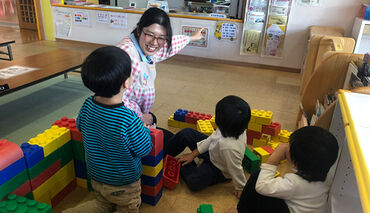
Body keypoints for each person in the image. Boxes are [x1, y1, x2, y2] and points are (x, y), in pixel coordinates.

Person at [64, 46, 152, 213]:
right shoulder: (129, 119)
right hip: (124, 183)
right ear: (127, 82)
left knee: (102, 204)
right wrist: (145, 130)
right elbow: (144, 149)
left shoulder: (88, 104)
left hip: (97, 176)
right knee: (128, 208)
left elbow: (80, 126)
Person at [117, 7, 204, 127]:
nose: (154, 42)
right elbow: (114, 98)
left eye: (161, 38)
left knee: (154, 120)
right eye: (150, 34)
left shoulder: (146, 46)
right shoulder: (128, 54)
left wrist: (191, 38)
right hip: (125, 120)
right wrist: (139, 116)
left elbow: (171, 44)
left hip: (138, 113)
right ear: (139, 29)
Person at [232, 126, 339, 213]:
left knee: (257, 177)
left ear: (296, 162)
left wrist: (274, 159)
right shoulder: (327, 174)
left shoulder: (295, 183)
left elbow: (261, 186)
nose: (286, 146)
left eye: (289, 146)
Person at [165, 95, 251, 198]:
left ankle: (184, 164)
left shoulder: (230, 148)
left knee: (195, 181)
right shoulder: (233, 127)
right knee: (186, 133)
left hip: (219, 168)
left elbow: (235, 169)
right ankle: (163, 151)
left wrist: (241, 187)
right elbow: (211, 139)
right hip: (213, 150)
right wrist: (193, 154)